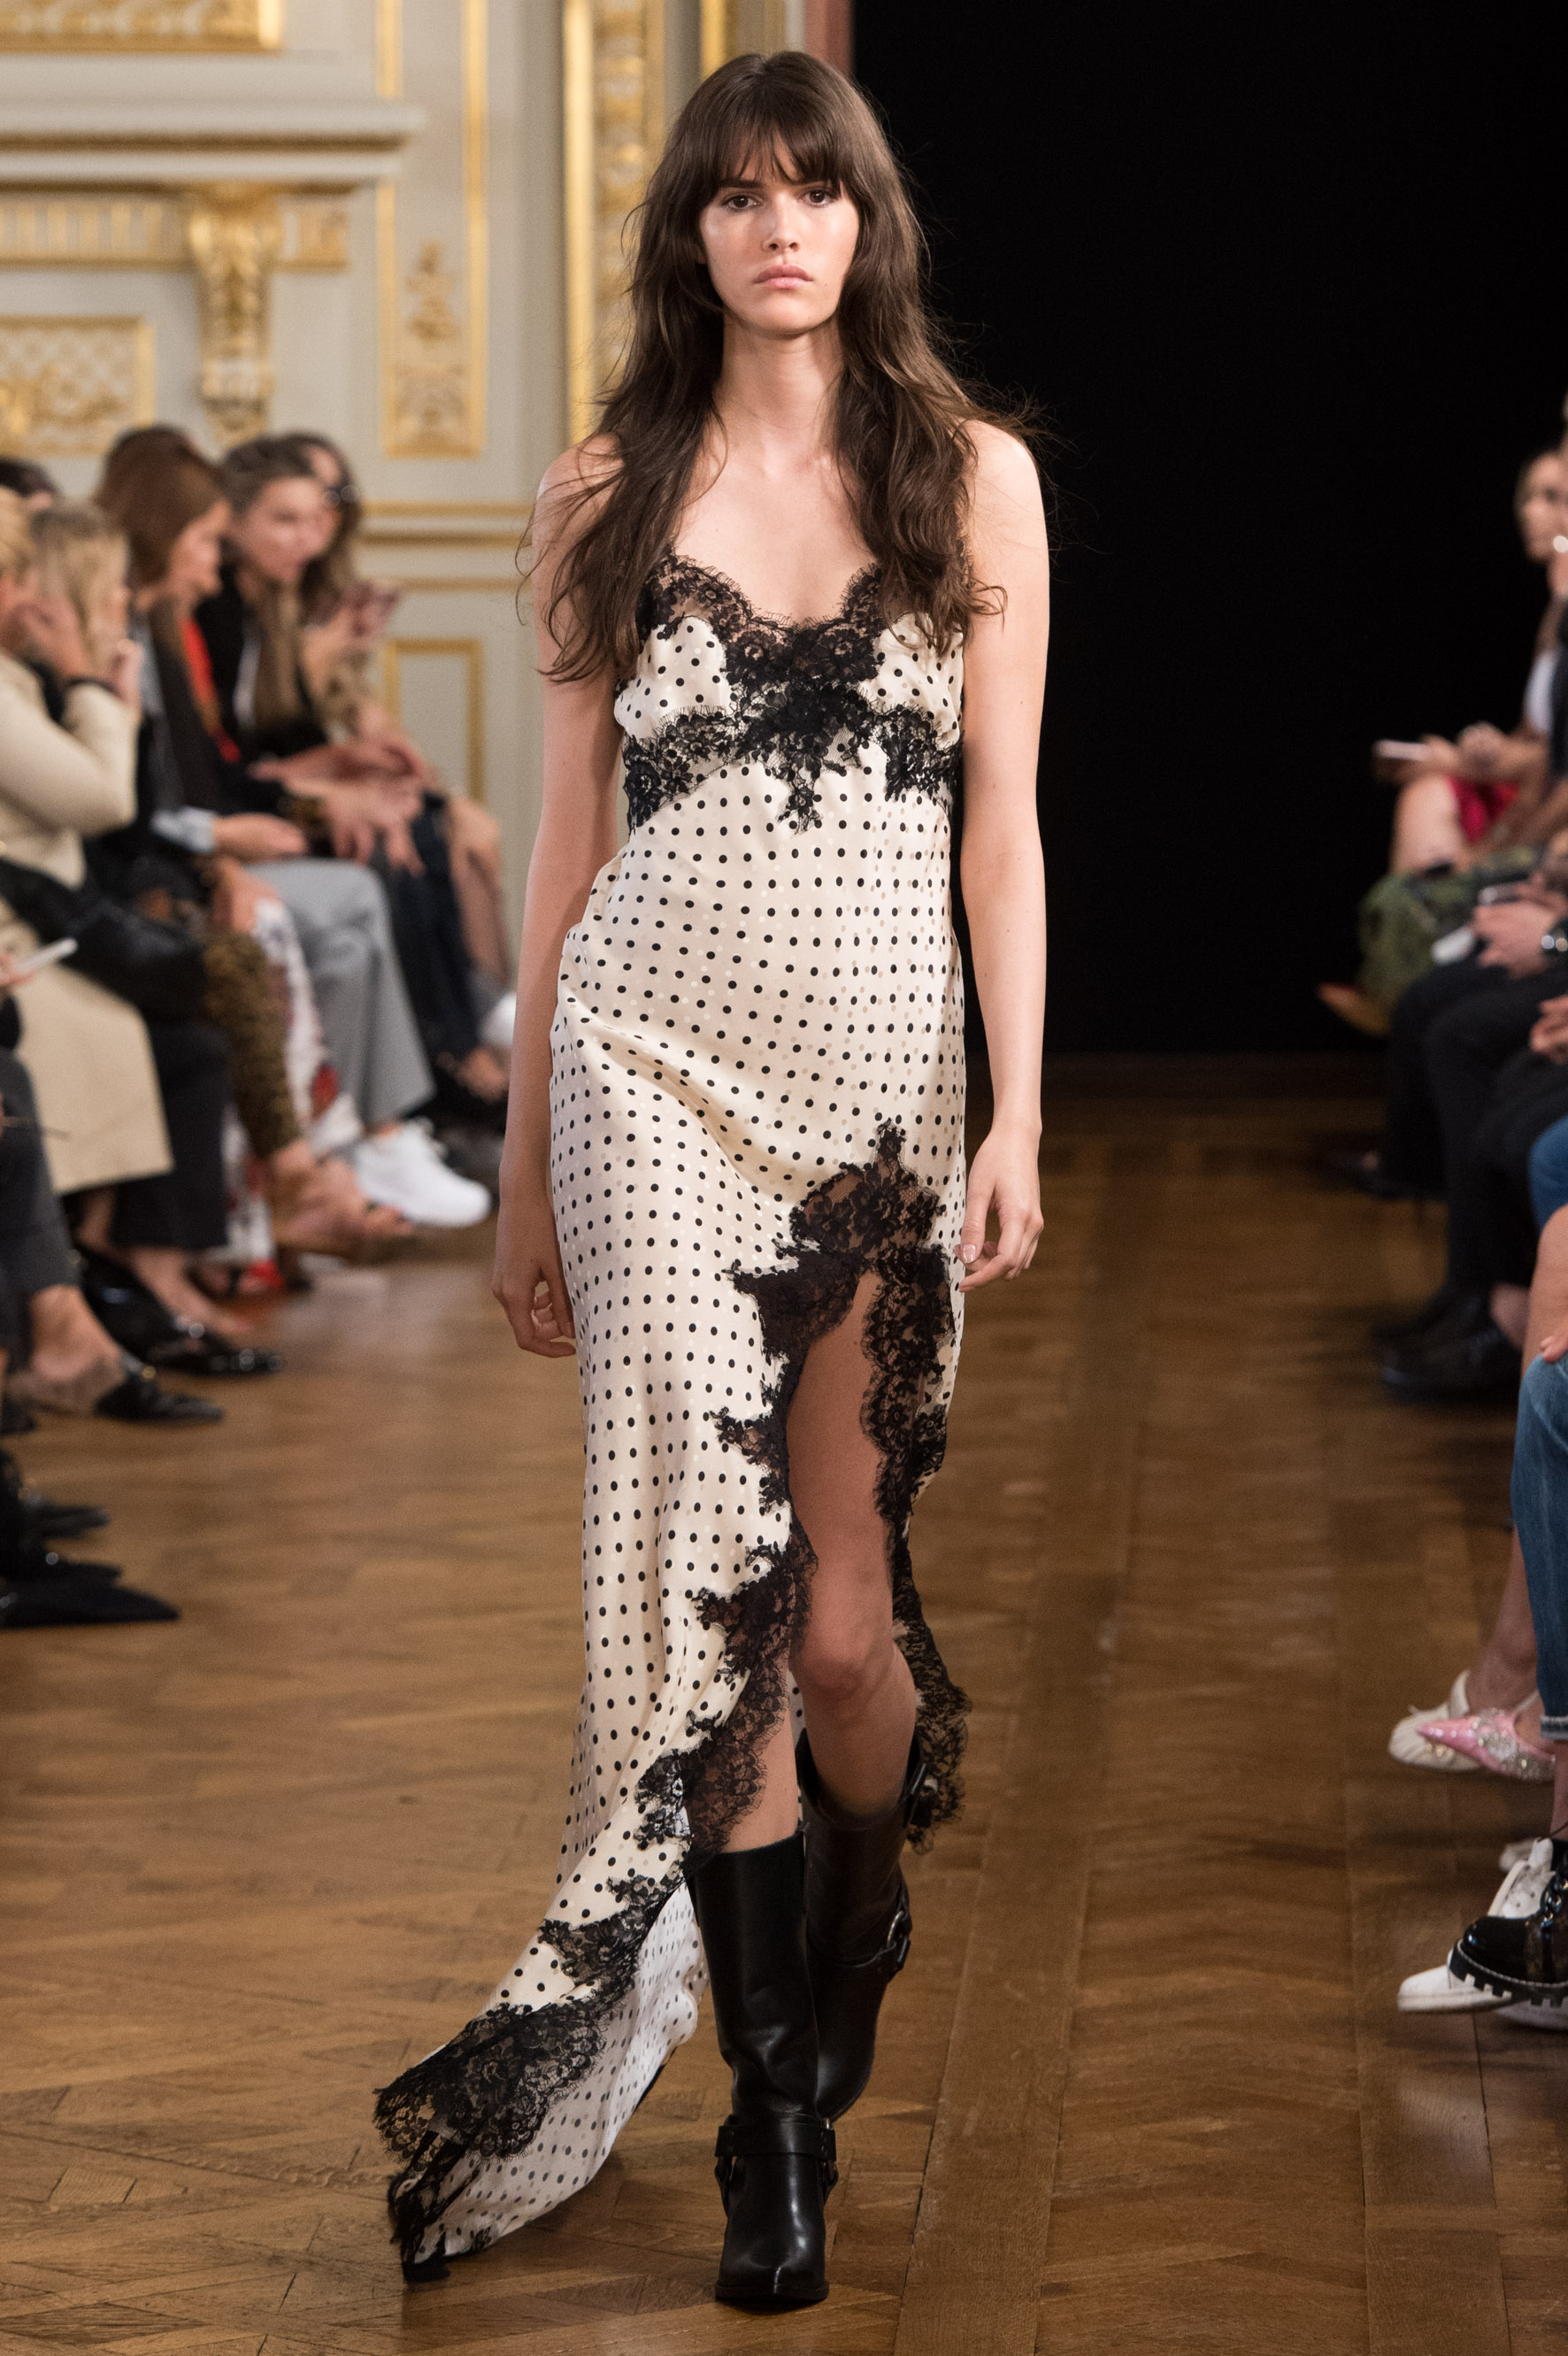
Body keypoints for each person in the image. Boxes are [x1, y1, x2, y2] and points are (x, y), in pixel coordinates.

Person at [373, 52, 1049, 2311]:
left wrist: (1019, 1113)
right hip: (645, 1069)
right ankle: (776, 2126)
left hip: (881, 1095)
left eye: (815, 192)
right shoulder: (605, 488)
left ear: (868, 222)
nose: (780, 229)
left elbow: (1001, 835)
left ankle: (859, 1905)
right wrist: (522, 1175)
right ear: (687, 234)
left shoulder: (972, 476)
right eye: (737, 196)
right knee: (714, 1600)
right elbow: (567, 840)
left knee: (845, 1626)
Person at [96, 435, 487, 1232]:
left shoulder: (176, 624)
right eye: (206, 538)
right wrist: (230, 839)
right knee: (360, 887)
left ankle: (346, 1151)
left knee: (361, 914)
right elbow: (153, 793)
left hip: (202, 839)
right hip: (166, 864)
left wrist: (324, 778)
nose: (211, 562)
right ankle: (381, 1127)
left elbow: (224, 763)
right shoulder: (157, 632)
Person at [1319, 450, 1568, 1035]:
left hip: (1550, 815)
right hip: (1535, 797)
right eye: (1527, 497)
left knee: (1427, 864)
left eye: (1552, 497)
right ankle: (1405, 977)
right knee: (1428, 788)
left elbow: (1556, 767)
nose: (1530, 511)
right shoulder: (1555, 610)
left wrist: (1496, 841)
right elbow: (1537, 742)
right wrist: (1472, 755)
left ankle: (1409, 978)